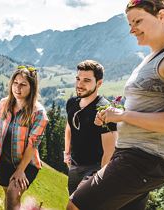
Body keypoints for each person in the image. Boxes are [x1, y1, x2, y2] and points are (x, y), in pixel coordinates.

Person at [67, 0, 164, 209]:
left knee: (77, 205)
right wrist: (114, 114)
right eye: (129, 24)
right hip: (132, 154)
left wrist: (122, 117)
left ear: (162, 16)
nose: (132, 30)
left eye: (137, 21)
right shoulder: (151, 57)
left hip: (145, 158)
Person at [0, 66, 48, 210]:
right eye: (15, 83)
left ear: (32, 87)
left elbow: (33, 144)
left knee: (12, 193)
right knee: (9, 195)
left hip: (27, 164)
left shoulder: (38, 113)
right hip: (5, 159)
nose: (17, 87)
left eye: (23, 84)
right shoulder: (3, 103)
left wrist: (20, 170)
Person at [64, 60, 117, 195]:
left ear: (99, 83)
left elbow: (109, 151)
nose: (79, 84)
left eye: (86, 80)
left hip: (95, 168)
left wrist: (100, 179)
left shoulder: (104, 110)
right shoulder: (72, 103)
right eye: (78, 79)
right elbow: (69, 127)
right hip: (75, 166)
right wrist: (67, 152)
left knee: (77, 202)